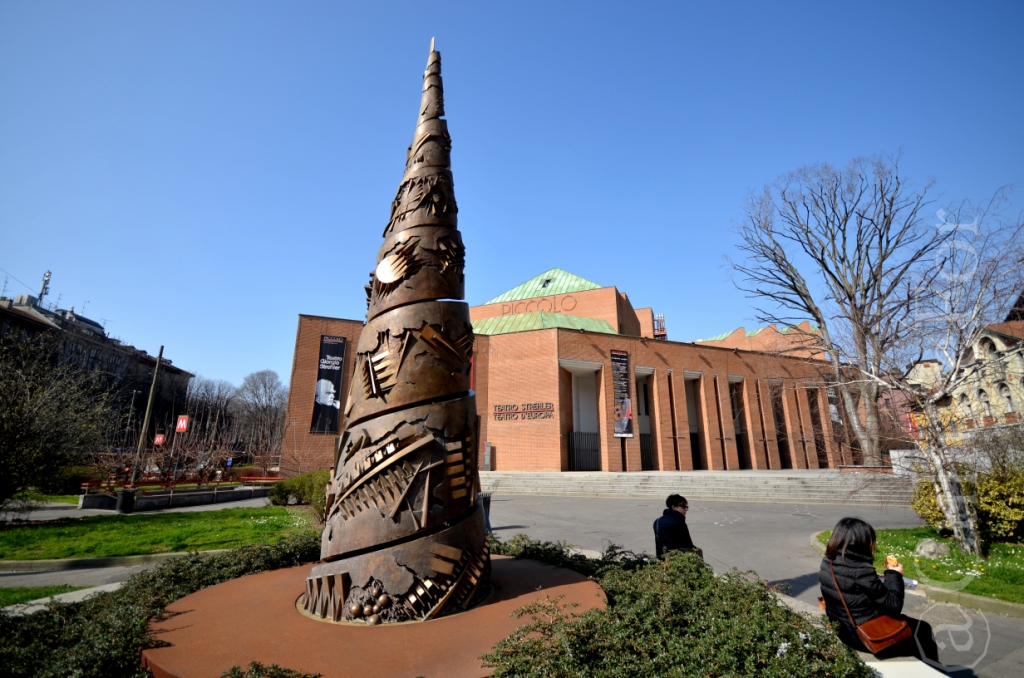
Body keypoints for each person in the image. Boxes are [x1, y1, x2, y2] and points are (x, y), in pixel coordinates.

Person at [818, 517, 941, 665]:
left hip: (843, 631)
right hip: (863, 637)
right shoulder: (861, 570)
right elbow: (894, 606)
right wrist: (894, 574)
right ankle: (934, 671)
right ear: (861, 542)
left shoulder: (828, 562)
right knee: (923, 629)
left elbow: (852, 587)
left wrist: (877, 580)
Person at [653, 494, 702, 559]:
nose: (685, 510)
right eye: (683, 507)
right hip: (677, 558)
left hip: (661, 557)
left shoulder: (657, 521)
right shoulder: (678, 522)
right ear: (674, 507)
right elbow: (687, 544)